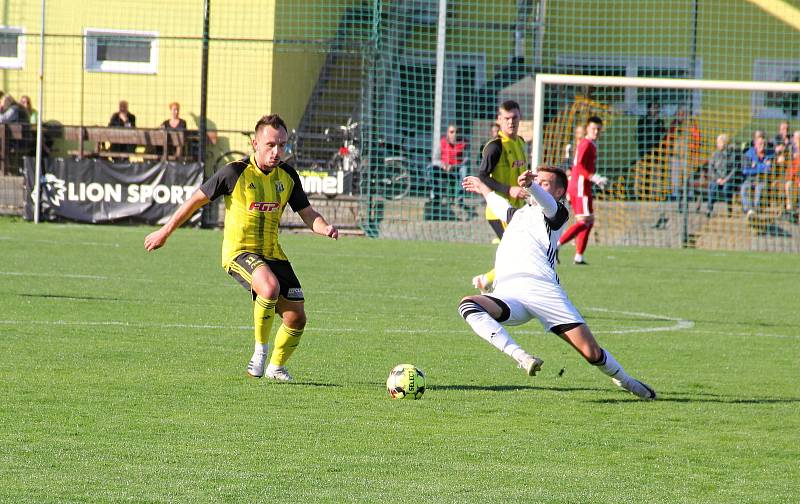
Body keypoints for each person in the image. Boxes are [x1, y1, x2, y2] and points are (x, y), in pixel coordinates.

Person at [144, 114, 339, 381]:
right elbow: (195, 201)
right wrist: (165, 231)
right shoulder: (234, 172)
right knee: (269, 288)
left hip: (273, 253)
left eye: (282, 145)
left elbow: (307, 212)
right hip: (240, 252)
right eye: (271, 144)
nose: (277, 151)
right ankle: (260, 352)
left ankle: (276, 367)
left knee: (296, 318)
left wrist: (324, 227)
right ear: (255, 143)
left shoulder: (288, 175)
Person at [459, 169, 656, 400]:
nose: (538, 185)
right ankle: (522, 357)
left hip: (542, 290)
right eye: (537, 181)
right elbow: (500, 206)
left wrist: (532, 186)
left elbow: (547, 203)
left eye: (545, 183)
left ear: (560, 191)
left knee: (591, 353)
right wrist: (483, 188)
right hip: (508, 293)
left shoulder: (557, 213)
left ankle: (626, 381)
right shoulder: (520, 215)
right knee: (468, 306)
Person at [471, 100, 529, 293]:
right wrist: (508, 189)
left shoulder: (520, 142)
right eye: (506, 118)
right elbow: (481, 176)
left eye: (514, 118)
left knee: (520, 254)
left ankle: (486, 281)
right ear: (499, 120)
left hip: (517, 211)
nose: (511, 122)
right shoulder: (495, 147)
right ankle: (493, 285)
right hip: (499, 211)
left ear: (520, 118)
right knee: (518, 254)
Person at [557, 116, 607, 265]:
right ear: (587, 129)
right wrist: (594, 177)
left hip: (584, 186)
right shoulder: (585, 144)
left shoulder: (590, 144)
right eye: (593, 128)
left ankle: (579, 256)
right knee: (584, 221)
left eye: (598, 129)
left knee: (589, 221)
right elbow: (578, 167)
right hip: (580, 187)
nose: (596, 131)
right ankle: (556, 245)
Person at [426, 124, 469, 209]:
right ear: (448, 133)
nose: (454, 134)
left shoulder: (463, 143)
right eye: (451, 132)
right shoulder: (442, 142)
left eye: (456, 132)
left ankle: (459, 198)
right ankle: (436, 196)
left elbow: (466, 159)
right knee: (430, 168)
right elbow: (435, 158)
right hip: (443, 169)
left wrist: (454, 166)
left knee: (464, 169)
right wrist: (443, 164)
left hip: (456, 170)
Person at [741, 132, 773, 218]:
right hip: (749, 179)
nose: (761, 146)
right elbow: (745, 170)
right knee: (744, 188)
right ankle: (747, 209)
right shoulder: (748, 154)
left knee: (759, 189)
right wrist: (762, 166)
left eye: (763, 144)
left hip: (762, 179)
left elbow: (769, 170)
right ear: (755, 144)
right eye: (759, 144)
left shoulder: (769, 155)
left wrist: (755, 166)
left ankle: (755, 209)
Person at [706, 133, 738, 218]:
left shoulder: (732, 155)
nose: (717, 144)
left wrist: (726, 179)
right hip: (716, 179)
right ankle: (709, 209)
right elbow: (711, 168)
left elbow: (734, 169)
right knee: (712, 187)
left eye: (719, 142)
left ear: (725, 143)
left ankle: (729, 209)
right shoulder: (715, 154)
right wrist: (717, 179)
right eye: (717, 142)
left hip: (727, 179)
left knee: (727, 189)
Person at [784, 130, 800, 222]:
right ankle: (790, 211)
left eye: (798, 139)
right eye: (795, 139)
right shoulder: (792, 152)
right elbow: (791, 170)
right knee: (789, 184)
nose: (796, 141)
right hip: (795, 179)